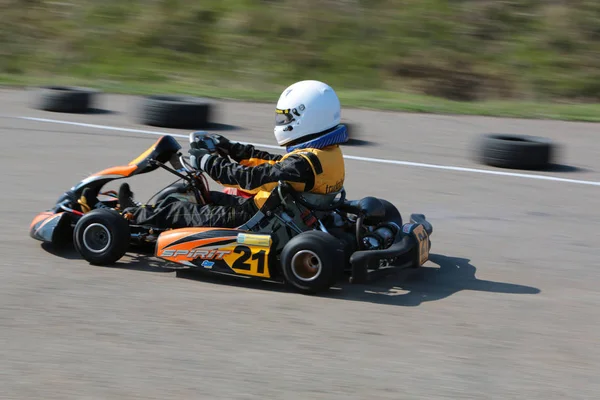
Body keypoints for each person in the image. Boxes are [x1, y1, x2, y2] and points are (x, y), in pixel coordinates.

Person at [82, 80, 349, 229]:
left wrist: (208, 161)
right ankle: (147, 211)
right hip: (279, 209)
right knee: (206, 197)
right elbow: (272, 165)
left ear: (307, 117)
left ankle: (130, 215)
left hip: (257, 218)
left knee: (178, 210)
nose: (281, 121)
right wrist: (232, 148)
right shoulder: (324, 154)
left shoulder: (303, 163)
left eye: (285, 116)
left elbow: (251, 178)